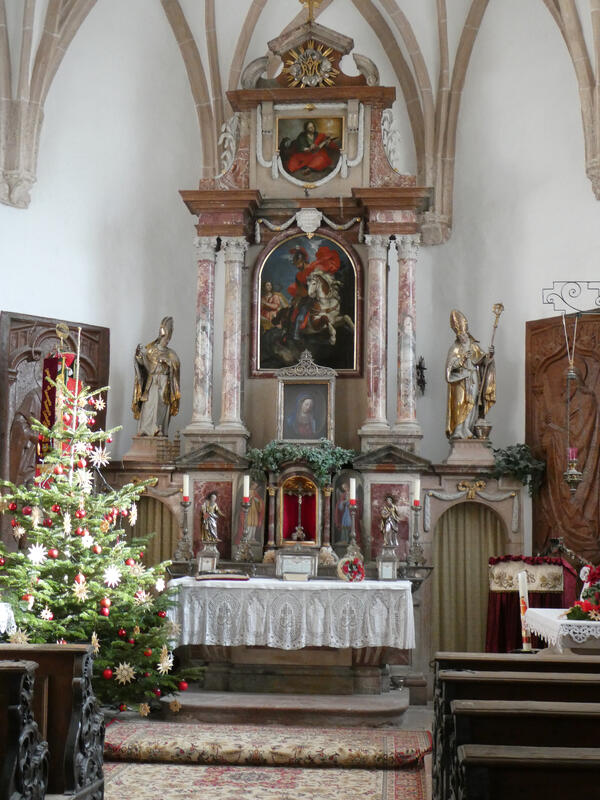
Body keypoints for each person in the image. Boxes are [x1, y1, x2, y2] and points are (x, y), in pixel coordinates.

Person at [445, 309, 495, 439]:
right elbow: (450, 367)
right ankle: (458, 430)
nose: (463, 337)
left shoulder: (474, 347)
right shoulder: (454, 348)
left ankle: (467, 428)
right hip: (459, 380)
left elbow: (484, 362)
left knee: (472, 403)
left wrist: (490, 355)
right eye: (460, 336)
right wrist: (462, 359)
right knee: (459, 403)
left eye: (464, 335)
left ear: (467, 333)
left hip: (473, 378)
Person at [132, 316, 181, 437]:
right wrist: (138, 356)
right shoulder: (151, 350)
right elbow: (144, 365)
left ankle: (158, 429)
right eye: (164, 338)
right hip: (151, 382)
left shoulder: (171, 354)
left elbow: (176, 367)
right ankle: (145, 429)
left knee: (161, 405)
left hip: (164, 382)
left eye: (167, 338)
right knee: (148, 405)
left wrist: (168, 363)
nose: (166, 340)